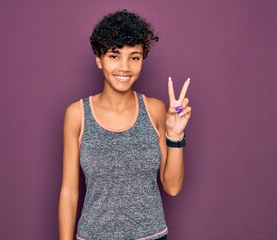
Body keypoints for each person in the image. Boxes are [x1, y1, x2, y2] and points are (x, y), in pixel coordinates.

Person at [58, 10, 191, 240]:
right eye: (114, 55)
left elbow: (172, 187)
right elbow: (69, 192)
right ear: (98, 59)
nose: (125, 67)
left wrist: (175, 136)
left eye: (134, 57)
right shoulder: (77, 114)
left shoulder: (155, 110)